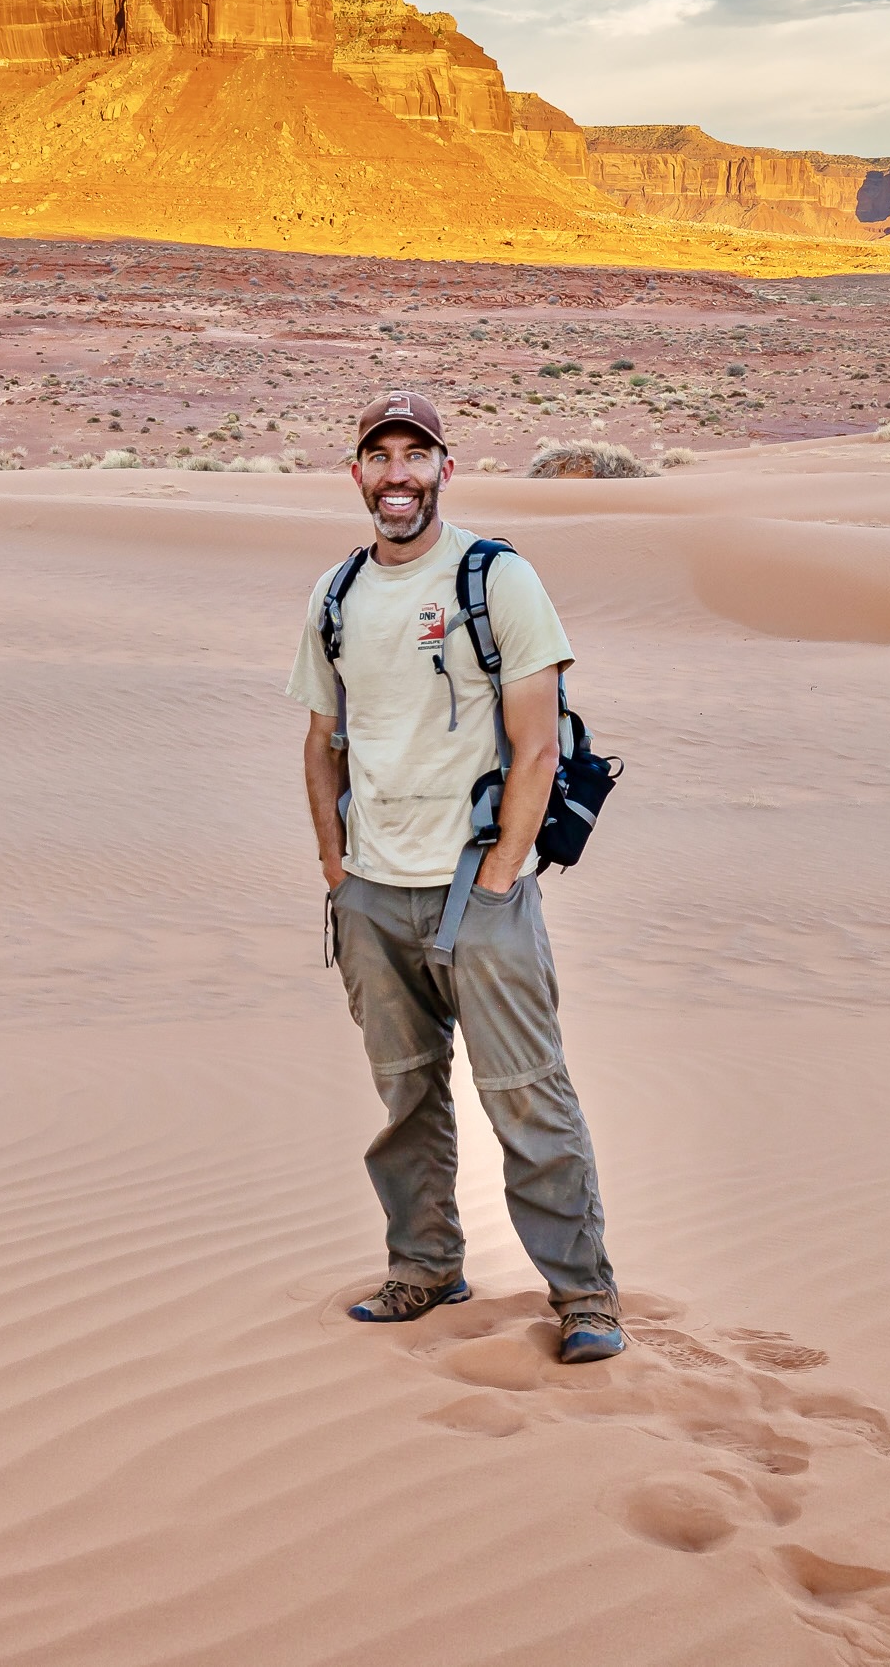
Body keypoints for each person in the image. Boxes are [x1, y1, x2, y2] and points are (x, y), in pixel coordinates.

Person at [285, 389, 624, 1363]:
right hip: (371, 896)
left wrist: (497, 881)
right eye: (378, 456)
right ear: (356, 473)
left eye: (414, 455)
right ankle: (424, 1266)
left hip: (476, 888)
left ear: (443, 467)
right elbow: (319, 741)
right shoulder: (335, 595)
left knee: (526, 1094)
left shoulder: (495, 578)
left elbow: (533, 749)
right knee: (405, 1098)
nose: (397, 474)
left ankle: (583, 1296)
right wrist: (334, 869)